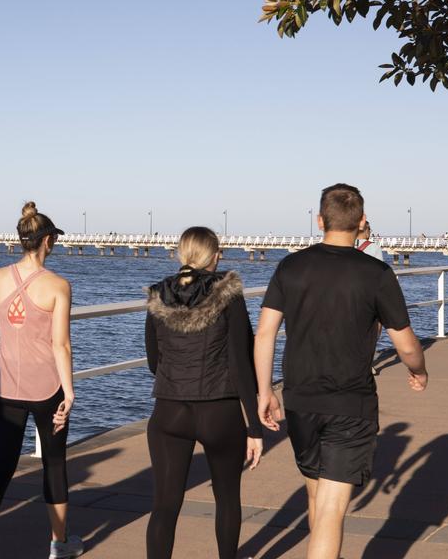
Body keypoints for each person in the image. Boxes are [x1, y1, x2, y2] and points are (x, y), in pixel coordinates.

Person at [254, 183, 428, 559]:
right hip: (350, 401)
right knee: (333, 508)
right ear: (361, 221)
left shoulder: (291, 266)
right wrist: (419, 370)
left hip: (300, 398)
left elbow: (265, 333)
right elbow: (406, 343)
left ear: (320, 220)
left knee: (317, 495)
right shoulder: (378, 274)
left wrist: (265, 391)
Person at [0, 202, 81, 559]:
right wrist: (69, 394)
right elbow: (61, 345)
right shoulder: (58, 285)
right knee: (54, 465)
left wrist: (13, 345)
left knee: (1, 466)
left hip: (5, 388)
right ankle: (59, 545)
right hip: (47, 390)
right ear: (47, 242)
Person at [143, 227, 264, 559]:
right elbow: (241, 363)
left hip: (169, 411)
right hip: (219, 410)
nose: (221, 257)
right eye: (219, 252)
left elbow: (155, 361)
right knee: (227, 499)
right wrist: (254, 426)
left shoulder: (157, 295)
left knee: (164, 506)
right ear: (212, 256)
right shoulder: (229, 294)